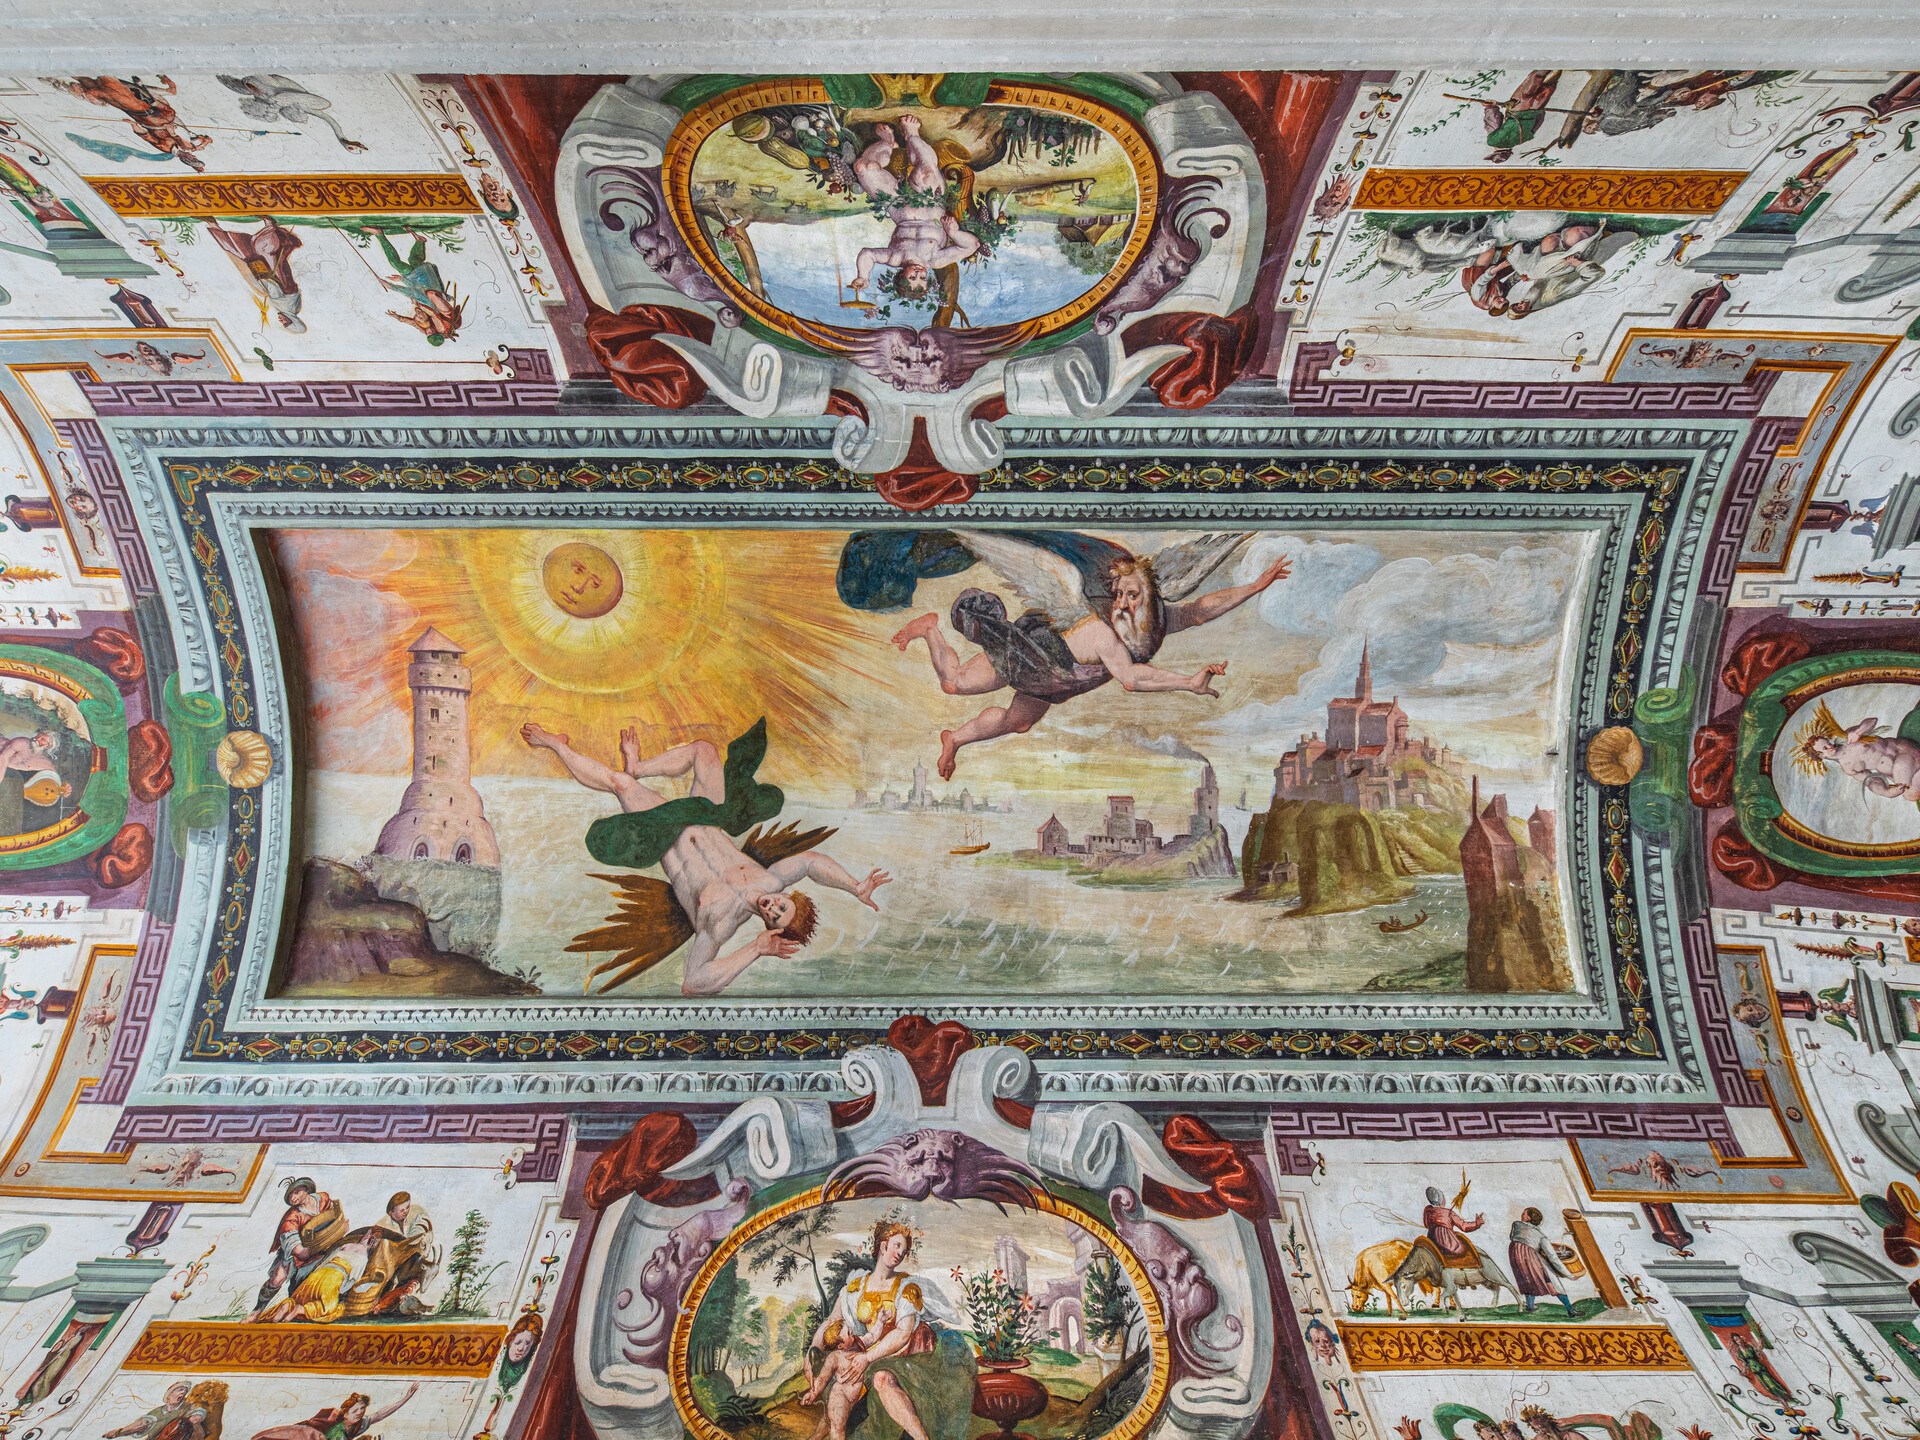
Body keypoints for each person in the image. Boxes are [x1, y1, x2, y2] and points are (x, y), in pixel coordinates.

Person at [879, 530, 1289, 779]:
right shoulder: (1101, 634)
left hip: (1055, 681)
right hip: (1028, 654)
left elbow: (1199, 611)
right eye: (1119, 595)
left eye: (1132, 595)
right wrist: (1187, 682)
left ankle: (954, 739)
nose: (1123, 604)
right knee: (955, 685)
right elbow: (1131, 679)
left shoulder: (1153, 622)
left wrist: (1255, 587)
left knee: (1018, 723)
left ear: (1149, 596)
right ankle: (930, 629)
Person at [525, 719, 889, 995]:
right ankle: (639, 766)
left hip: (665, 832)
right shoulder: (772, 878)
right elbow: (811, 862)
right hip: (704, 815)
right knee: (705, 751)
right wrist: (854, 886)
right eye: (783, 905)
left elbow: (694, 983)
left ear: (770, 926)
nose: (773, 907)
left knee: (620, 784)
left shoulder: (721, 924)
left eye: (775, 916)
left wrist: (755, 949)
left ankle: (555, 745)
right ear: (786, 895)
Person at [801, 1222, 974, 1440]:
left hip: (908, 1356)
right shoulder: (856, 1287)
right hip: (872, 1356)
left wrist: (867, 1357)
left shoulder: (907, 1287)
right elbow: (833, 1320)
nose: (900, 1253)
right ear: (883, 1246)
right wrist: (813, 1350)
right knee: (838, 1392)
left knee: (882, 1378)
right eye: (897, 1245)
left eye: (904, 1249)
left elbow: (903, 1334)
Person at [849, 114, 979, 304]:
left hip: (897, 203)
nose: (919, 273)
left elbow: (867, 254)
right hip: (930, 200)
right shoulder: (935, 260)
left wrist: (863, 276)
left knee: (862, 167)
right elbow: (972, 245)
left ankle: (887, 142)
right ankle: (911, 134)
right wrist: (954, 232)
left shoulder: (895, 258)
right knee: (926, 173)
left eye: (912, 277)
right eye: (923, 278)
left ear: (901, 275)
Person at [43, 76, 209, 169]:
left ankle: (73, 87)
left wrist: (133, 125)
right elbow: (196, 139)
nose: (190, 155)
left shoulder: (166, 148)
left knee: (115, 96)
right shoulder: (186, 145)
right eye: (192, 156)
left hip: (145, 117)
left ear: (185, 159)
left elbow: (147, 137)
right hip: (159, 114)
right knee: (167, 112)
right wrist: (201, 142)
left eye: (190, 157)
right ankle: (140, 88)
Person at [360, 229, 464, 344]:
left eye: (427, 333)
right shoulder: (431, 312)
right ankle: (379, 233)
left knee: (414, 260)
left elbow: (414, 323)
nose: (417, 315)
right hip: (423, 280)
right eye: (430, 332)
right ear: (435, 332)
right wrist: (392, 285)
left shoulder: (427, 325)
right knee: (395, 263)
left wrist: (399, 317)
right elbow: (416, 294)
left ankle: (420, 241)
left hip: (429, 278)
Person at [206, 219, 307, 333]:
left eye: (283, 324)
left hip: (279, 273)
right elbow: (273, 286)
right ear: (293, 320)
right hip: (270, 272)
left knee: (242, 249)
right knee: (258, 250)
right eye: (286, 322)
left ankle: (212, 224)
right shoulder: (285, 307)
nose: (281, 321)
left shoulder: (294, 308)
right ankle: (269, 224)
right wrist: (259, 276)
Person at [248, 1386, 417, 1440]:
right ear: (345, 1413)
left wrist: (405, 1398)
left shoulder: (359, 1425)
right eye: (355, 1410)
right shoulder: (336, 1429)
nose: (359, 1413)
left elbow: (379, 1415)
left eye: (362, 1410)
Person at [1506, 1208, 1576, 1317]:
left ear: (1528, 1218)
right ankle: (1570, 1310)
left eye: (1523, 1213)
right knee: (1551, 1279)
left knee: (1527, 1280)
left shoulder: (1516, 1225)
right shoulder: (1540, 1236)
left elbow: (1512, 1237)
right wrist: (1568, 1274)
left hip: (1516, 1257)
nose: (1521, 1214)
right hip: (1530, 1258)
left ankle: (1530, 1307)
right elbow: (1553, 1257)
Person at [1422, 1181, 1485, 1262]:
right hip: (1446, 1244)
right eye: (1444, 1197)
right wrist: (1476, 1223)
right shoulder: (1449, 1213)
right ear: (1442, 1201)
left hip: (1432, 1241)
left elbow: (1426, 1225)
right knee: (1463, 1249)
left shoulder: (1428, 1212)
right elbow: (1464, 1226)